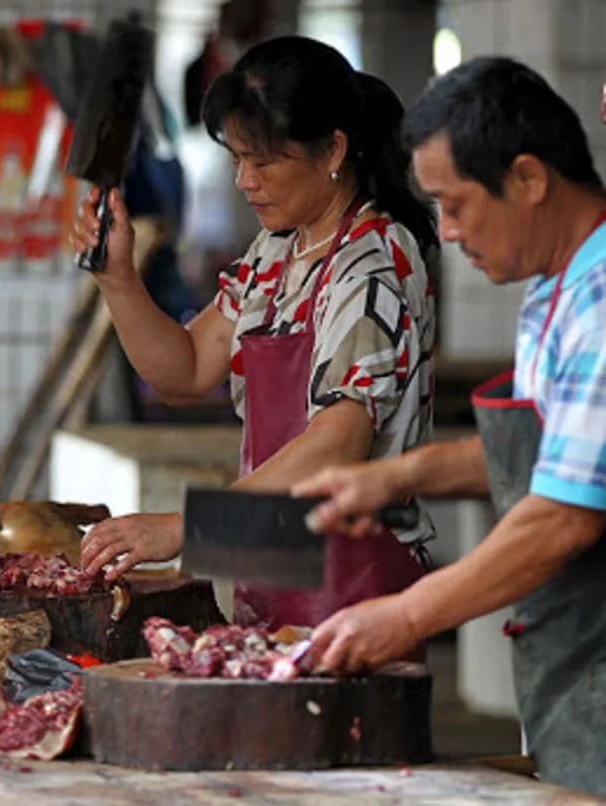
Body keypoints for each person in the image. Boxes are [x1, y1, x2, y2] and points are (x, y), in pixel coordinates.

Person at [292, 57, 606, 796]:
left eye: (457, 204)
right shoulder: (555, 287)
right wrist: (394, 476)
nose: (451, 232)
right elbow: (554, 455)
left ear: (528, 179)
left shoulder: (599, 301)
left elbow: (563, 516)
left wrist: (407, 615)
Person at [69, 35, 440, 639]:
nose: (244, 181)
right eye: (237, 159)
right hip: (274, 558)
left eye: (262, 162)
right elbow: (186, 370)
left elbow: (337, 444)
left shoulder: (372, 262)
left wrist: (187, 526)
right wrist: (120, 281)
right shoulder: (276, 253)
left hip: (357, 579)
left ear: (332, 150)